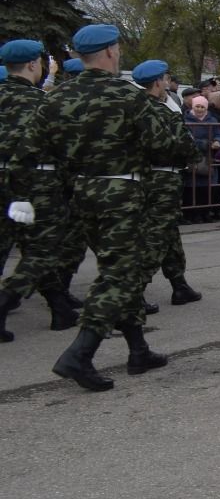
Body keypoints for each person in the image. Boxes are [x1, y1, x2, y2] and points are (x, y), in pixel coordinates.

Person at [17, 25, 196, 390]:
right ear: (112, 52)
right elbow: (171, 148)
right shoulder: (130, 98)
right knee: (121, 275)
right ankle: (80, 353)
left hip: (78, 194)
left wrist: (26, 196)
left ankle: (138, 349)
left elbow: (28, 152)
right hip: (122, 195)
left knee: (118, 268)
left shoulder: (55, 99)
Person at [0, 39, 82, 338]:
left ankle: (60, 308)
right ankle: (5, 301)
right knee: (43, 250)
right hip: (36, 183)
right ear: (34, 64)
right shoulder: (40, 103)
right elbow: (61, 148)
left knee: (26, 246)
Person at [132, 61, 204, 308]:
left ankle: (179, 284)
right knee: (158, 234)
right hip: (164, 178)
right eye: (164, 80)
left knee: (168, 231)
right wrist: (194, 155)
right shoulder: (160, 111)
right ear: (157, 82)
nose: (166, 84)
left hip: (147, 178)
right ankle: (134, 290)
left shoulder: (137, 108)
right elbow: (185, 144)